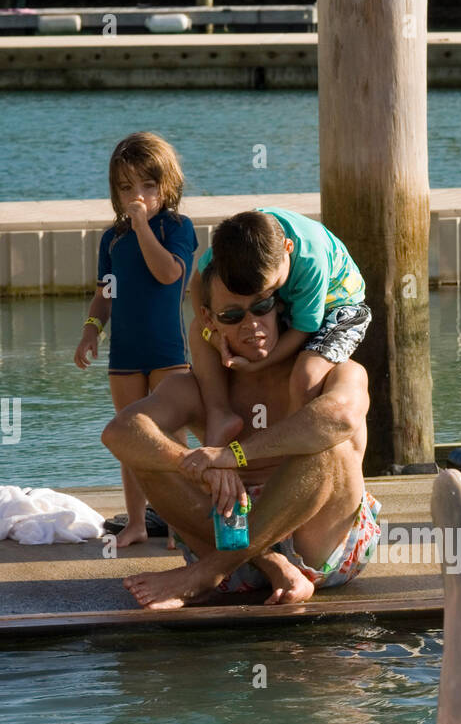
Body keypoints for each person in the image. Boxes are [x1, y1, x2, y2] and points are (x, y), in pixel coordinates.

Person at [101, 243, 381, 610]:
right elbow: (119, 432)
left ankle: (206, 573)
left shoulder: (333, 370)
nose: (252, 325)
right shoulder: (197, 387)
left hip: (322, 549)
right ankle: (267, 563)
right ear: (209, 321)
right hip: (231, 542)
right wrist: (194, 462)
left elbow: (341, 416)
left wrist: (232, 455)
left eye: (261, 307)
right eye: (232, 315)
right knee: (148, 452)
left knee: (331, 443)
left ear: (279, 305)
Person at [74, 132, 197, 546]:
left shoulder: (177, 227)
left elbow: (168, 274)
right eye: (127, 188)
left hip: (168, 352)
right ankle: (137, 522)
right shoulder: (112, 239)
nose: (137, 195)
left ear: (167, 185)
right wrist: (91, 331)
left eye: (147, 185)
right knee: (130, 439)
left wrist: (143, 225)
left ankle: (181, 522)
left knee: (172, 438)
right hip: (125, 354)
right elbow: (104, 292)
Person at [189, 208, 371, 451]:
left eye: (269, 288)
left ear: (288, 247)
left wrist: (258, 364)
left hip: (338, 306)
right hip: (290, 301)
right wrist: (211, 333)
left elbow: (304, 327)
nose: (263, 294)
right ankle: (219, 413)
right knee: (196, 331)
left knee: (306, 376)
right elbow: (198, 282)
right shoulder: (233, 247)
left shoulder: (310, 258)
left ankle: (289, 445)